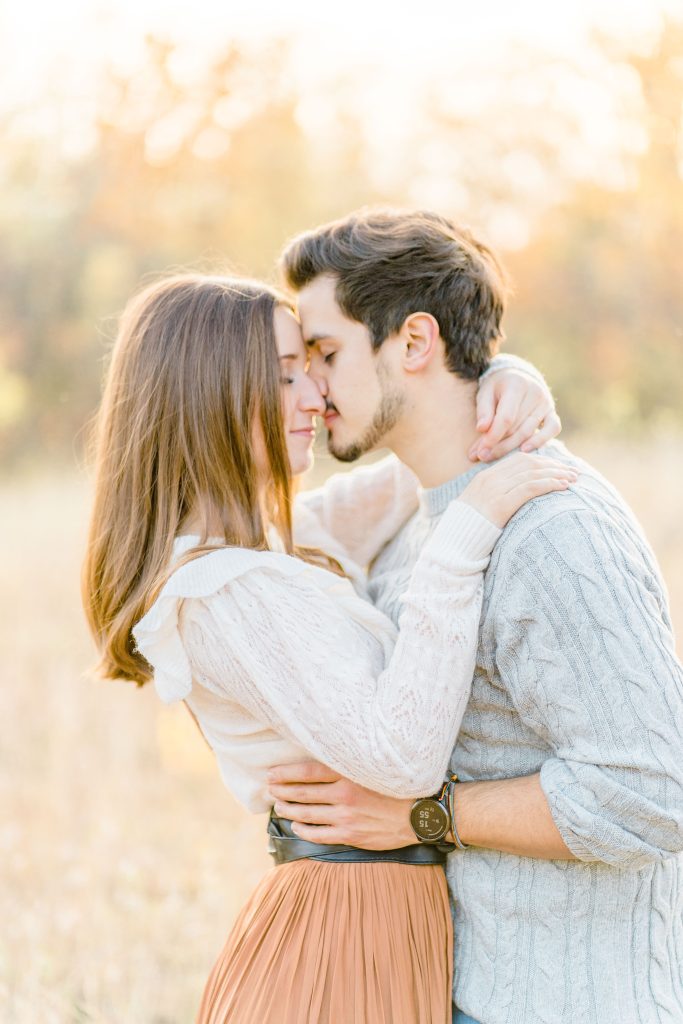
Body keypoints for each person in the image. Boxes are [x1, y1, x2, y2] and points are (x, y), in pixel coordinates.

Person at [81, 272, 572, 1024]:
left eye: (312, 366)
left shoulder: (282, 540)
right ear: (202, 397)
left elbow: (422, 463)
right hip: (337, 938)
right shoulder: (221, 593)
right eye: (284, 378)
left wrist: (506, 377)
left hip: (383, 921)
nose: (315, 395)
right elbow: (403, 759)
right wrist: (467, 533)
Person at [271, 207, 683, 1024]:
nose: (310, 388)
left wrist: (424, 816)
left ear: (414, 343)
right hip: (461, 989)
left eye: (325, 354)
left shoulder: (552, 531)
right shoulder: (411, 516)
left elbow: (652, 790)